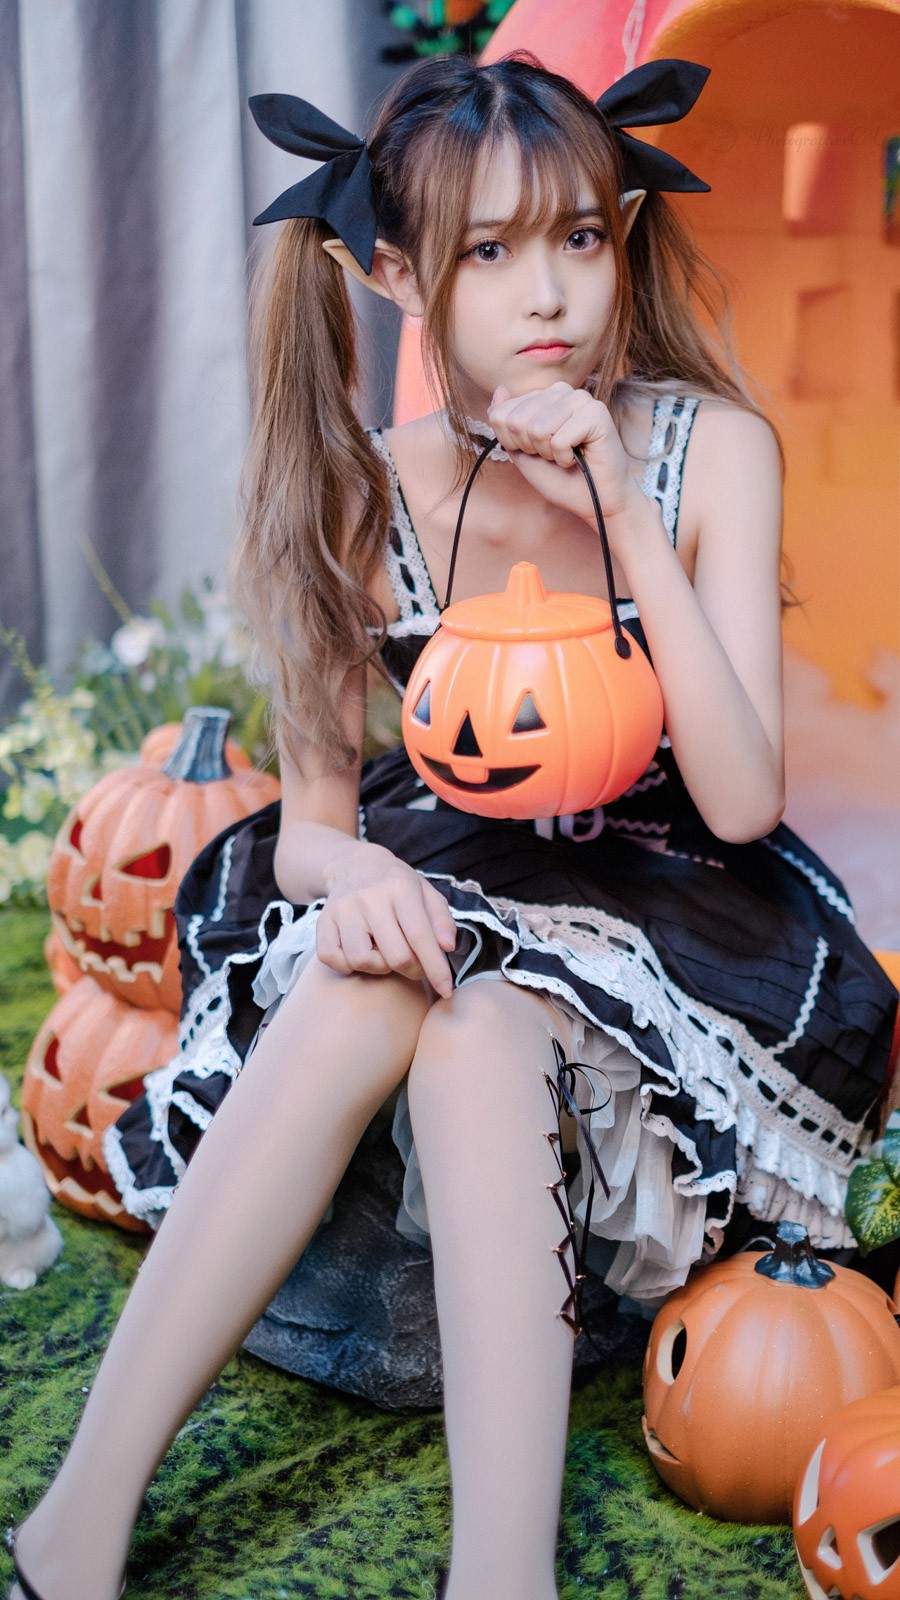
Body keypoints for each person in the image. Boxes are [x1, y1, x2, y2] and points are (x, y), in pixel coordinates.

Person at [6, 50, 898, 1600]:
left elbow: (746, 799)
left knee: (484, 1033)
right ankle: (79, 1522)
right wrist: (353, 878)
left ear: (621, 235)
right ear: (397, 274)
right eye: (488, 252)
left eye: (578, 237)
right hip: (454, 869)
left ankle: (500, 1579)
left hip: (683, 912)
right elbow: (309, 829)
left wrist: (620, 502)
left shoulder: (707, 452)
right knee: (375, 981)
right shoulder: (367, 493)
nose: (547, 292)